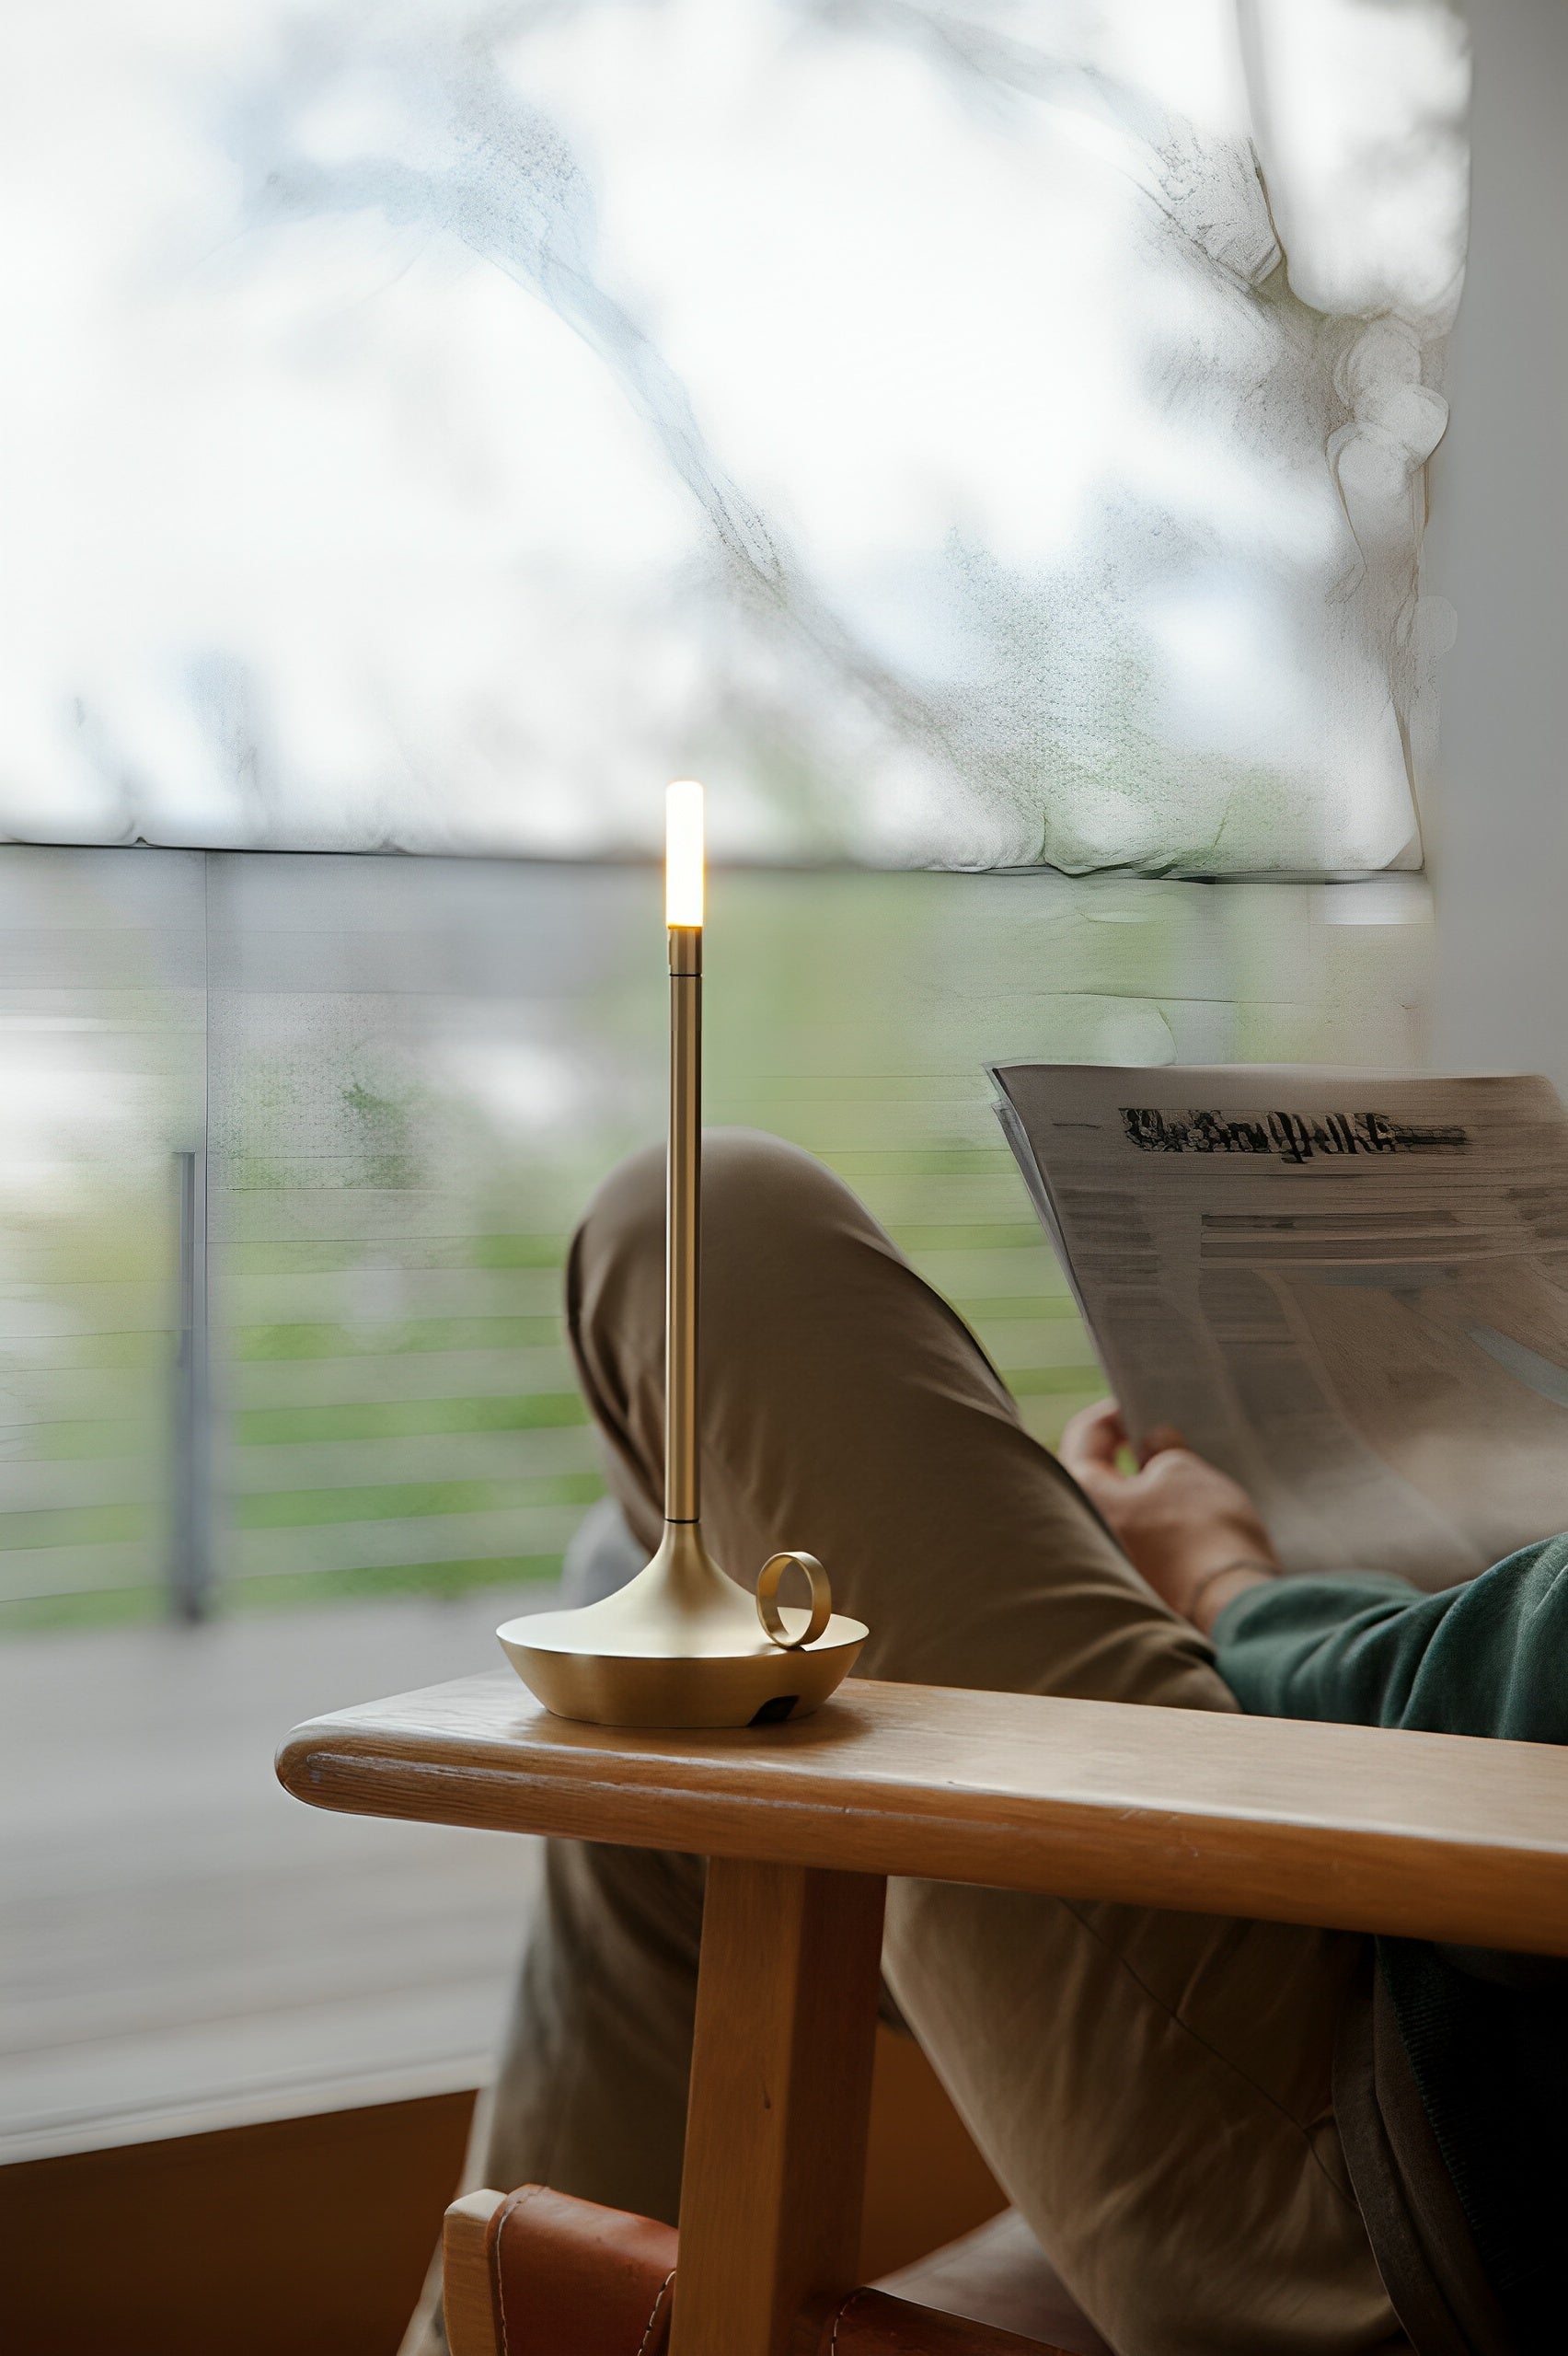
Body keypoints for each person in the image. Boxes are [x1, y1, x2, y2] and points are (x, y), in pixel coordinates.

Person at [408, 1132, 1563, 2356]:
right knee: (697, 1731)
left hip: (1409, 2184)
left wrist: (1227, 1584)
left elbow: (1509, 1691)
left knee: (705, 1222)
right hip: (1456, 2041)